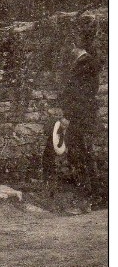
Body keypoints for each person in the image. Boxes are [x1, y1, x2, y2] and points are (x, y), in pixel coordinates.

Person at [42, 38, 101, 200]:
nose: (66, 53)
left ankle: (90, 197)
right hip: (81, 117)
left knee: (82, 156)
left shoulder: (85, 63)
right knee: (82, 155)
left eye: (68, 48)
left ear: (74, 46)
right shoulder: (82, 62)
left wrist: (68, 117)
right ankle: (91, 195)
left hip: (80, 118)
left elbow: (81, 96)